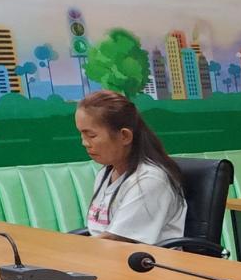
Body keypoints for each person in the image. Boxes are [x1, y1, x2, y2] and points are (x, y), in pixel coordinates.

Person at [74, 90, 187, 244]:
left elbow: (117, 240)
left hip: (143, 258)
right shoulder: (105, 174)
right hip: (105, 254)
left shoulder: (149, 180)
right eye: (82, 135)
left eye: (91, 135)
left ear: (125, 136)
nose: (84, 143)